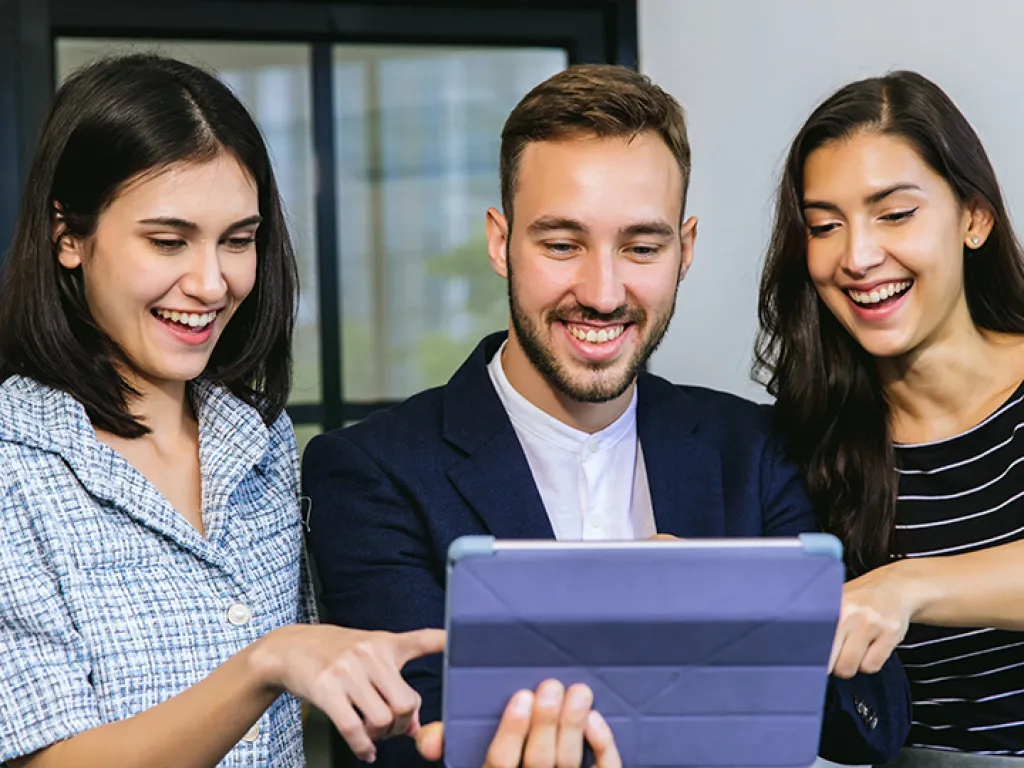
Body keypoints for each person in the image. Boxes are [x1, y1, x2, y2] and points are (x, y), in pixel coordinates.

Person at [0, 52, 603, 768]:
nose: (211, 282)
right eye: (168, 241)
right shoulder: (15, 462)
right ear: (68, 236)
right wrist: (268, 662)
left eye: (238, 241)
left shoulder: (259, 441)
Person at [303, 63, 910, 768]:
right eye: (562, 244)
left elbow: (872, 724)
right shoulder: (371, 473)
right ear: (500, 242)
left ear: (685, 249)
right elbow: (417, 744)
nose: (602, 292)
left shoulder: (754, 447)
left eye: (642, 247)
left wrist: (729, 607)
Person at [756, 69, 1024, 763]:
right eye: (825, 226)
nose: (858, 256)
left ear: (974, 218)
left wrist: (904, 585)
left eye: (895, 214)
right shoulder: (804, 443)